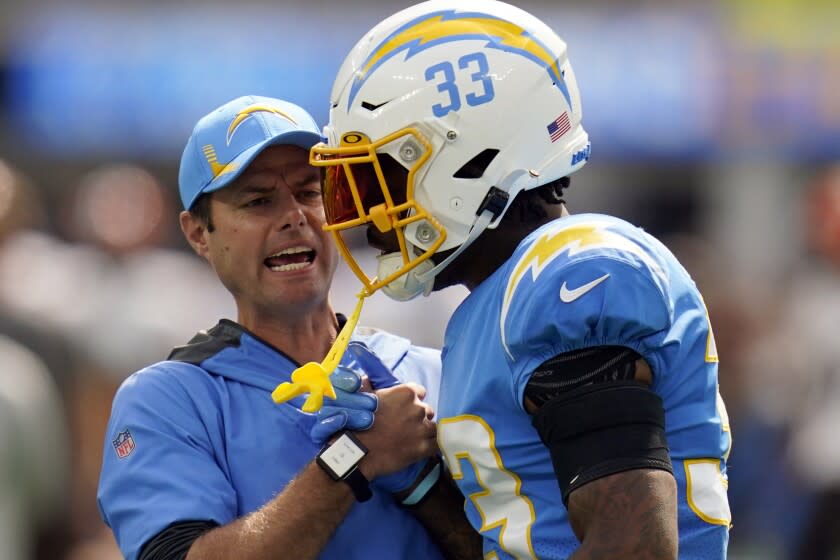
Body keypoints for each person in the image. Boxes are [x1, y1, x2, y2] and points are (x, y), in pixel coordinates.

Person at [304, 0, 732, 557]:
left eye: (382, 180)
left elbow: (633, 546)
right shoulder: (504, 297)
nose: (370, 220)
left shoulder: (571, 275)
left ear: (469, 161)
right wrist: (414, 478)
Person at [97, 95, 481, 560]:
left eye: (309, 192)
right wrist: (353, 458)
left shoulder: (434, 371)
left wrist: (425, 484)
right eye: (258, 200)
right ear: (199, 233)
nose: (295, 216)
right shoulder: (167, 401)